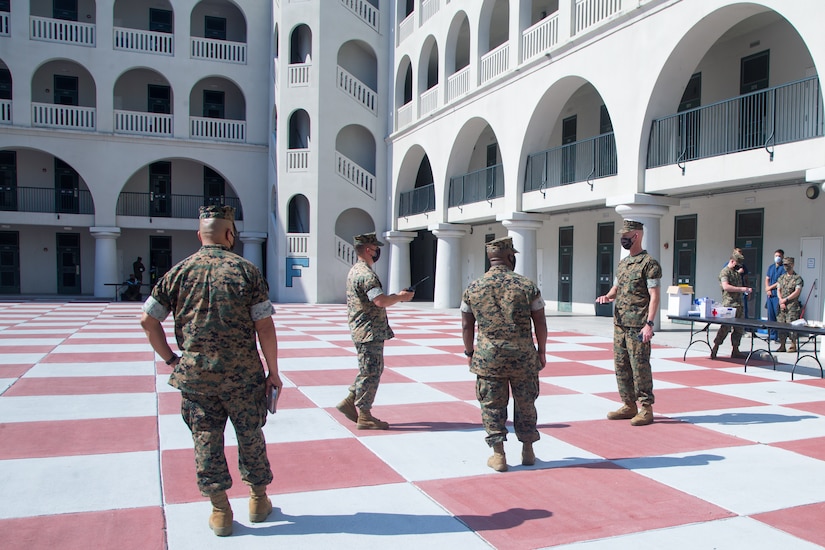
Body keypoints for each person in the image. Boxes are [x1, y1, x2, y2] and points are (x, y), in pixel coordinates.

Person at [139, 205, 280, 537]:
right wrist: (273, 372)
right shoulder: (246, 271)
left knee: (205, 439)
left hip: (197, 378)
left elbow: (148, 320)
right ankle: (258, 501)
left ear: (199, 235)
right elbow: (265, 327)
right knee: (250, 436)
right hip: (244, 377)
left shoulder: (178, 273)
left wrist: (172, 359)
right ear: (230, 234)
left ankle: (220, 510)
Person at [461, 237, 547, 472]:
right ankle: (528, 450)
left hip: (489, 359)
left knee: (492, 405)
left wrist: (469, 352)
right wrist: (542, 351)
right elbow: (540, 321)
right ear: (510, 257)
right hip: (524, 357)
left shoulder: (473, 287)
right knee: (526, 402)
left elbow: (467, 326)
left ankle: (498, 455)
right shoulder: (526, 285)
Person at [336, 232, 414, 430]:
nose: (378, 251)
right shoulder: (366, 274)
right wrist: (401, 297)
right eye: (376, 248)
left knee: (370, 368)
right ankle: (364, 414)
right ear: (369, 249)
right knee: (371, 371)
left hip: (363, 328)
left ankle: (350, 400)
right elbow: (380, 301)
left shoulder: (356, 270)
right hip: (368, 330)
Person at [595, 219, 661, 426]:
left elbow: (655, 295)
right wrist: (607, 296)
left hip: (638, 326)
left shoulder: (649, 263)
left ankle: (646, 408)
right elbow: (616, 289)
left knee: (639, 367)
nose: (623, 240)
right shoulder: (623, 263)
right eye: (622, 236)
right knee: (621, 366)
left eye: (626, 236)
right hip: (620, 325)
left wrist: (649, 324)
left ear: (637, 235)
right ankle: (628, 404)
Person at [710, 248, 753, 360]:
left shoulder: (736, 273)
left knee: (739, 329)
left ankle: (735, 349)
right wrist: (742, 289)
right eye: (737, 263)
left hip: (739, 304)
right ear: (732, 261)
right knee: (725, 328)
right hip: (729, 305)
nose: (738, 266)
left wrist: (746, 290)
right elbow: (726, 286)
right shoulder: (725, 272)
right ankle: (715, 347)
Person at [776, 256, 803, 353]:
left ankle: (793, 344)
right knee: (781, 324)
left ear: (792, 265)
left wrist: (786, 299)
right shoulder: (781, 278)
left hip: (792, 306)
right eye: (784, 265)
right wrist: (781, 300)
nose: (786, 267)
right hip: (782, 306)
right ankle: (782, 344)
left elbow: (797, 291)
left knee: (792, 325)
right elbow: (778, 289)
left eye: (788, 265)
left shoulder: (797, 278)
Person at [764, 249, 786, 341]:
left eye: (779, 256)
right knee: (770, 316)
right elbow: (767, 278)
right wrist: (767, 288)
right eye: (776, 255)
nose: (777, 257)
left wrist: (770, 288)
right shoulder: (771, 267)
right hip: (770, 295)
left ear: (782, 257)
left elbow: (779, 282)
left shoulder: (783, 268)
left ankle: (778, 336)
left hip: (777, 295)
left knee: (778, 316)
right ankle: (771, 335)